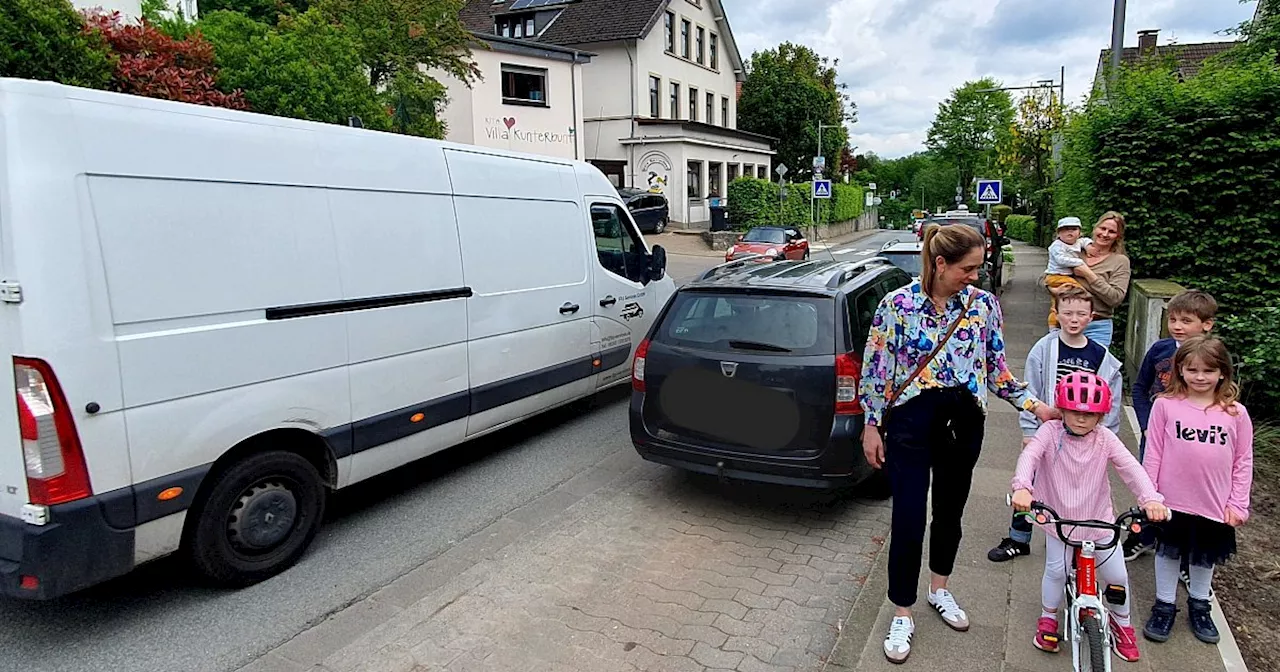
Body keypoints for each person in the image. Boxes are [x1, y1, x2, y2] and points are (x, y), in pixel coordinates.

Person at [859, 222, 1059, 664]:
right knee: (909, 516)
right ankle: (902, 610)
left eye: (979, 266)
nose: (976, 273)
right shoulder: (897, 306)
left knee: (950, 512)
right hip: (911, 423)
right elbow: (875, 372)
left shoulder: (983, 305)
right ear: (940, 263)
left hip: (963, 424)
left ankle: (940, 590)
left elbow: (996, 369)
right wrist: (872, 426)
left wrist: (1036, 406)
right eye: (968, 267)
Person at [1011, 371, 1170, 662]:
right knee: (1056, 571)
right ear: (1061, 409)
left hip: (1098, 520)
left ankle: (1122, 624)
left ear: (1101, 416)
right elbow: (1030, 456)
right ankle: (1048, 618)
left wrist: (1150, 500)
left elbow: (1131, 468)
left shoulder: (1104, 439)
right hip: (1058, 520)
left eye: (1090, 414)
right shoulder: (1050, 432)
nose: (1081, 419)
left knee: (1116, 575)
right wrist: (1022, 488)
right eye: (1073, 412)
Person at [988, 285, 1123, 562]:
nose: (1074, 319)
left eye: (1081, 314)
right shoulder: (1044, 349)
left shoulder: (1101, 357)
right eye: (1068, 313)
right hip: (1049, 431)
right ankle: (1019, 537)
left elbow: (1112, 397)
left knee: (1080, 486)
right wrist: (1029, 429)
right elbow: (1030, 390)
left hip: (1086, 435)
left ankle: (1077, 537)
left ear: (1091, 317)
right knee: (1029, 482)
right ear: (1056, 314)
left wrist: (1108, 436)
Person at [1141, 336, 1253, 645]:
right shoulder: (1164, 405)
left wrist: (1238, 503)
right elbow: (1154, 453)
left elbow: (1243, 460)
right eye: (1192, 370)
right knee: (1167, 550)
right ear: (1180, 370)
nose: (1200, 377)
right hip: (1170, 501)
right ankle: (1164, 605)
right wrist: (1149, 495)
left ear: (1222, 373)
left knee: (1204, 556)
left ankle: (1200, 604)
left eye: (1208, 371)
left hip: (1213, 501)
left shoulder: (1235, 414)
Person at [1122, 289, 1218, 561]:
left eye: (1186, 321)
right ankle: (1144, 535)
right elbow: (1140, 389)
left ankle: (1183, 553)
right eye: (1173, 319)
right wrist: (1145, 425)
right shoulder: (1160, 350)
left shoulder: (1211, 358)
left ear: (1206, 325)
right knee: (1148, 485)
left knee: (1185, 492)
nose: (1177, 326)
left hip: (1190, 439)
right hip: (1154, 434)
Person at [1044, 211, 1130, 346]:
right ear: (1095, 228)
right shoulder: (1075, 249)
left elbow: (1115, 298)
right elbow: (1048, 274)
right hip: (1065, 324)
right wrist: (1051, 289)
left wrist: (1088, 274)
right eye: (1102, 228)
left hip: (1097, 326)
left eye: (1111, 231)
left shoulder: (1120, 261)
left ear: (1118, 236)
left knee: (1092, 366)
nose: (1105, 234)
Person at [1043, 217, 1092, 329]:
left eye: (1074, 229)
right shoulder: (1056, 246)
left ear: (1080, 232)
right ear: (1058, 233)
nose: (1070, 232)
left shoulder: (1078, 242)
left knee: (1057, 303)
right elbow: (1061, 260)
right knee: (1078, 290)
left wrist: (1089, 245)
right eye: (1065, 229)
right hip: (1056, 276)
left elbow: (1085, 241)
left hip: (1065, 277)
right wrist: (1080, 262)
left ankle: (1053, 323)